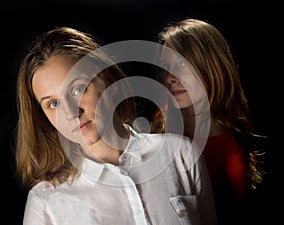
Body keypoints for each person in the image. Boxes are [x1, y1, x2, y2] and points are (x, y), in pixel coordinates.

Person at [14, 26, 217, 225]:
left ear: (109, 81)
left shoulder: (181, 154)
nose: (70, 113)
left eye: (78, 89)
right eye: (53, 104)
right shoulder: (45, 202)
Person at [151, 18, 266, 224]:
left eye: (183, 65)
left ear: (212, 66)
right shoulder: (162, 119)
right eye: (166, 66)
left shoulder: (234, 146)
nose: (170, 77)